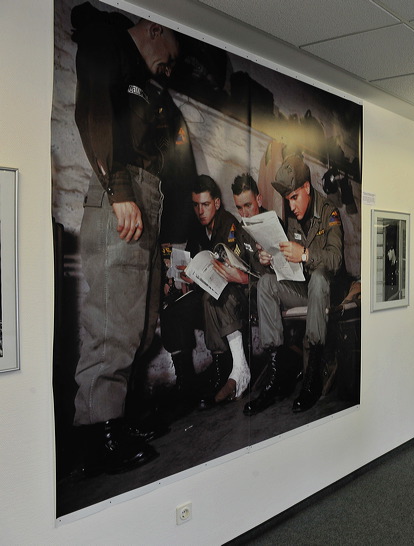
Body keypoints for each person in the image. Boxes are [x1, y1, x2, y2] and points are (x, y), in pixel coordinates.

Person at [71, 3, 191, 474]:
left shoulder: (149, 86)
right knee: (112, 323)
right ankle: (96, 435)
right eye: (172, 53)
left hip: (147, 198)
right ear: (155, 27)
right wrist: (120, 191)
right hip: (122, 195)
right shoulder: (107, 40)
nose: (171, 65)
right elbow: (95, 112)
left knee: (141, 324)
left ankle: (118, 417)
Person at [244, 155, 345, 416]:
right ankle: (277, 372)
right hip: (303, 289)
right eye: (287, 199)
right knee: (266, 283)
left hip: (325, 292)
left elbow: (335, 259)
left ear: (307, 189)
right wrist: (268, 258)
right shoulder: (291, 218)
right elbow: (288, 266)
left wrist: (305, 254)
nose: (291, 205)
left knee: (320, 277)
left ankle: (312, 373)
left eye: (295, 197)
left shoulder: (329, 213)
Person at [161, 175, 261, 410]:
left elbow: (237, 268)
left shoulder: (229, 225)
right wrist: (184, 275)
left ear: (216, 203)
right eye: (195, 205)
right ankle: (185, 381)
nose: (200, 211)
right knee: (172, 310)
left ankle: (222, 368)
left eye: (205, 205)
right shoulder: (197, 230)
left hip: (232, 292)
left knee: (210, 299)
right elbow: (190, 263)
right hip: (206, 290)